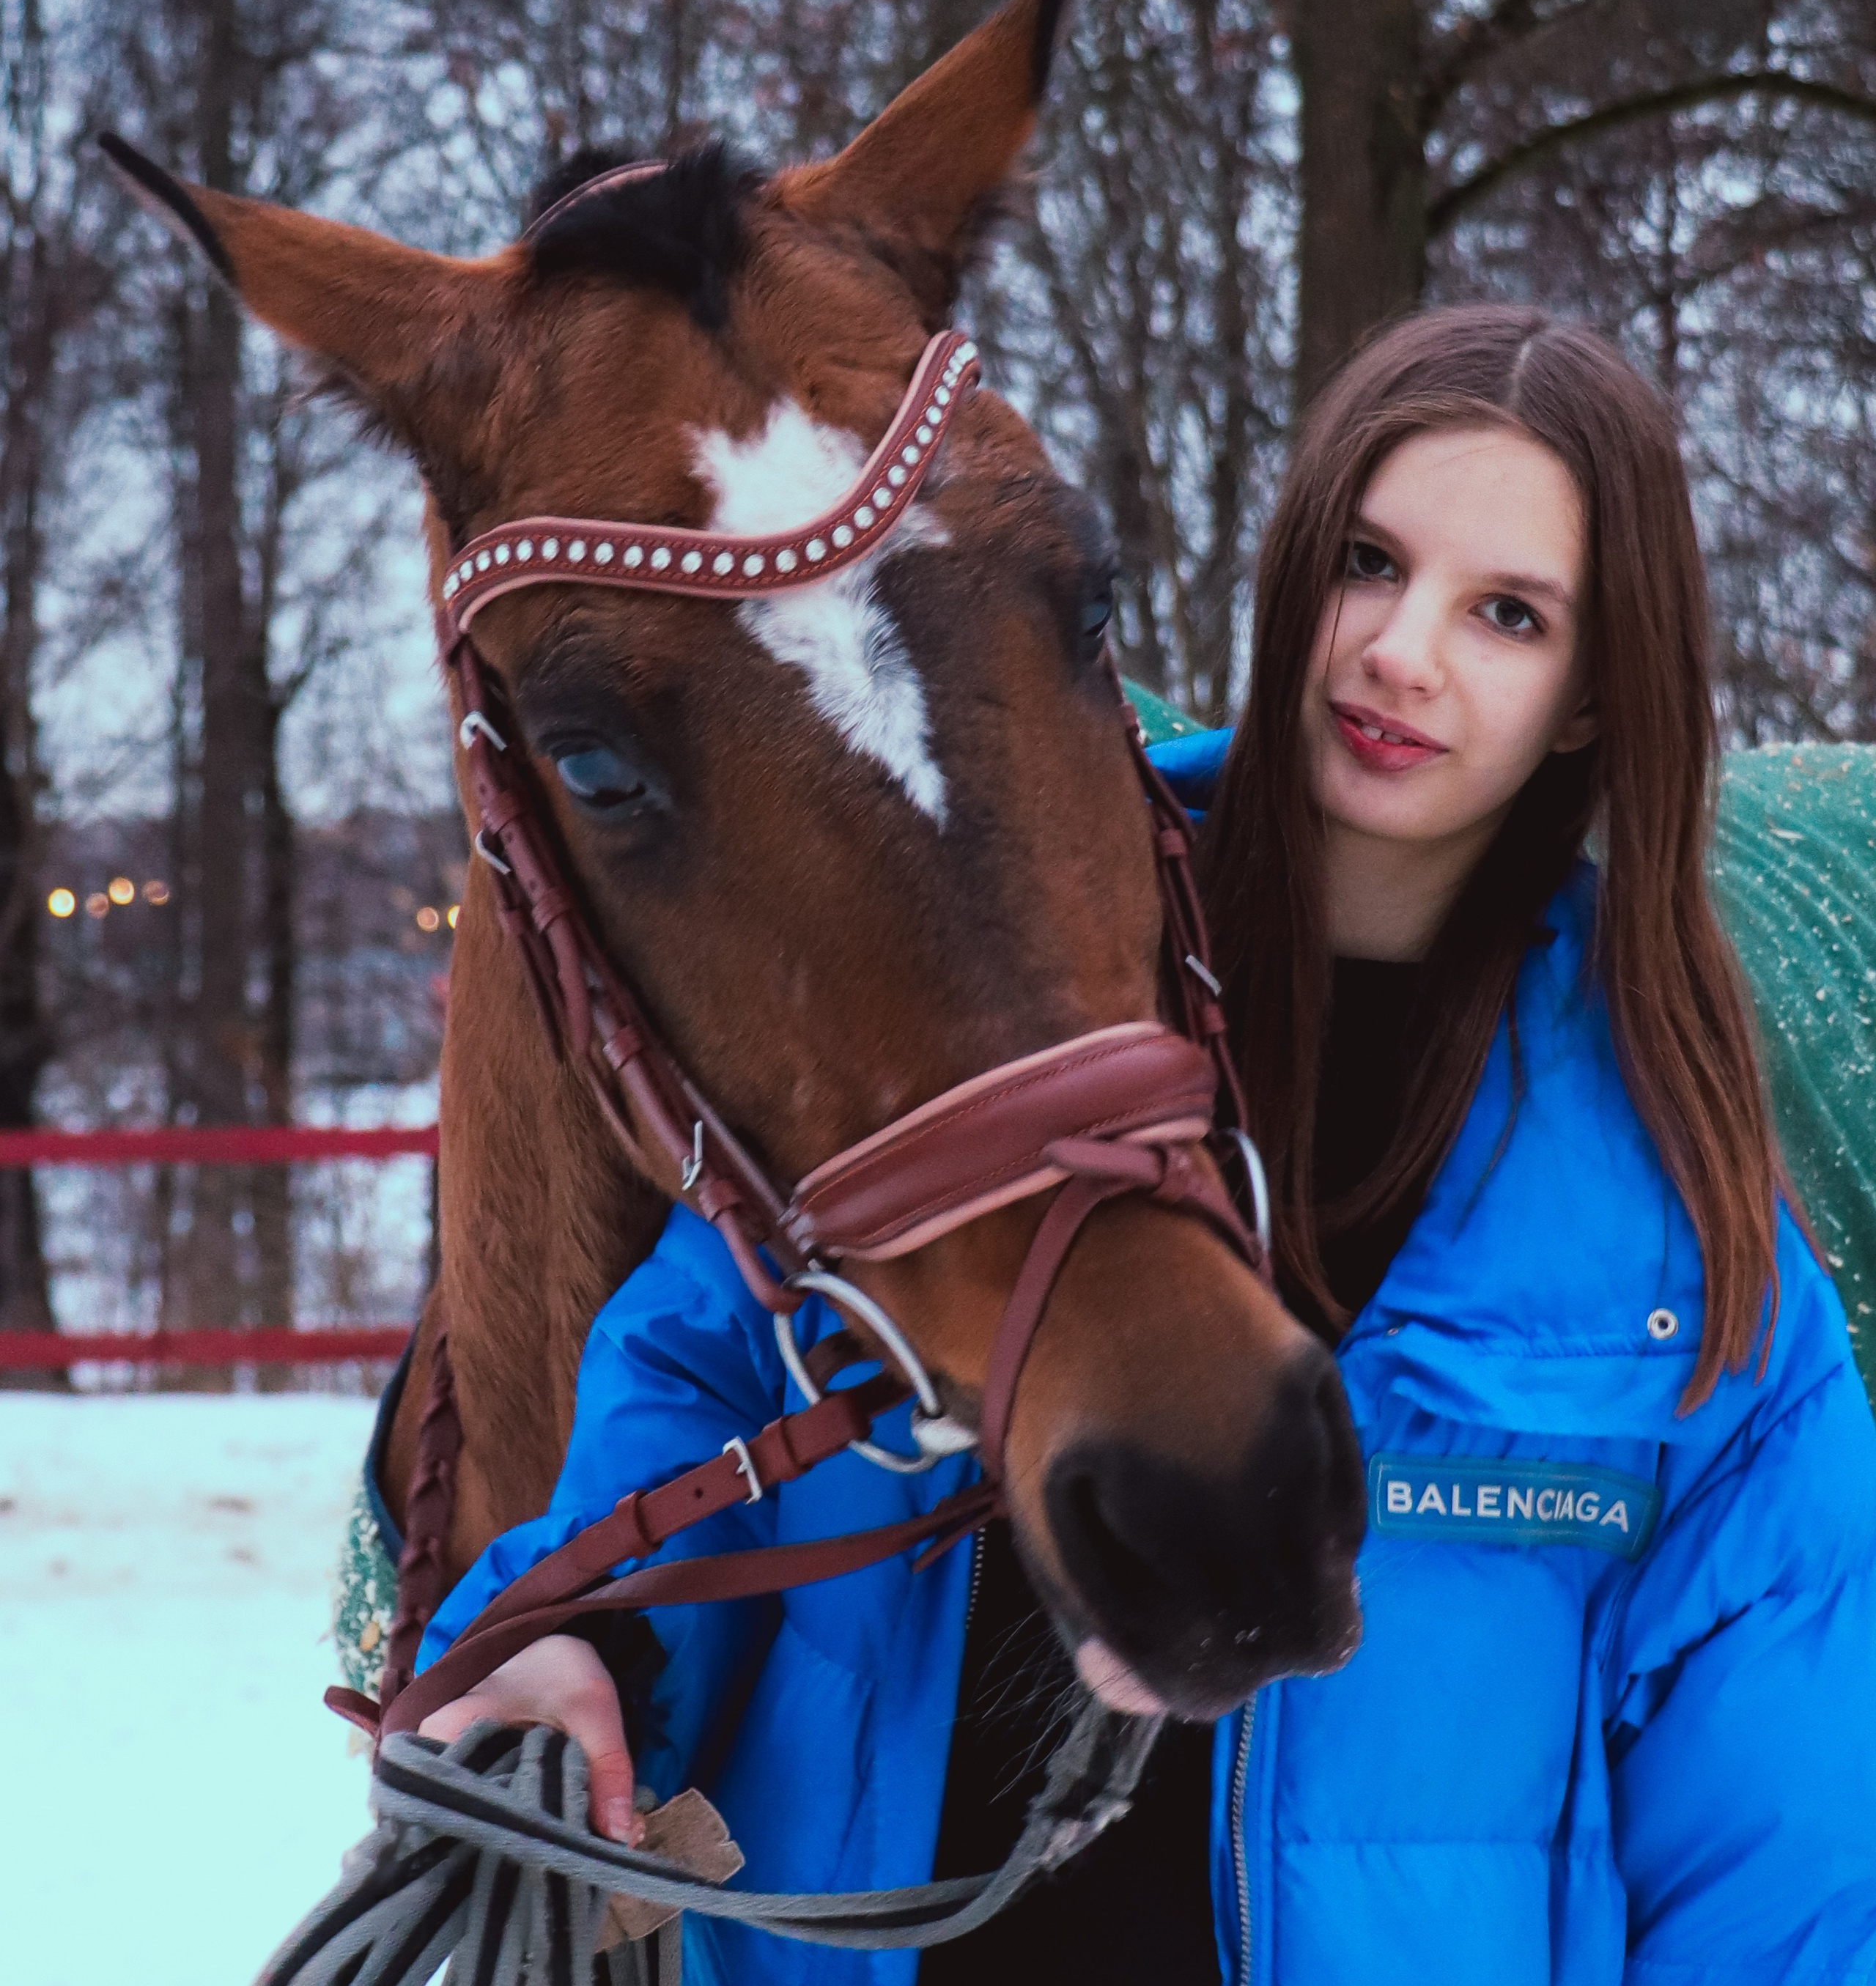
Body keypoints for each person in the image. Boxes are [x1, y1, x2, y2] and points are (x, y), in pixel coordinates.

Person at [413, 306, 1876, 1985]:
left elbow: (1780, 1878)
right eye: (1364, 563)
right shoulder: (996, 982)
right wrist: (585, 1638)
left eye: (1503, 613)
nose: (1401, 652)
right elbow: (713, 1370)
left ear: (1583, 698)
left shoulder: (1684, 1257)